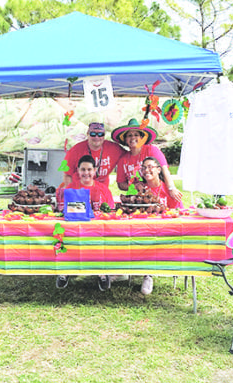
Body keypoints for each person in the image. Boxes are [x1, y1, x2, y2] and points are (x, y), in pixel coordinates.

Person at [56, 155, 115, 291]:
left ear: (95, 171)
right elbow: (65, 210)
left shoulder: (103, 189)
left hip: (98, 229)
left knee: (103, 241)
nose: (86, 173)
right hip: (76, 229)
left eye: (89, 169)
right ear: (78, 170)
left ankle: (102, 273)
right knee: (64, 236)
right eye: (83, 169)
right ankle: (64, 272)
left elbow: (110, 211)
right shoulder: (71, 187)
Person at [133, 156, 181, 295]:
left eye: (150, 167)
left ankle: (148, 274)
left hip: (166, 230)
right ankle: (143, 273)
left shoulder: (169, 189)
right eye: (144, 168)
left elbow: (177, 213)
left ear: (159, 169)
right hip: (144, 229)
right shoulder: (140, 188)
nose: (146, 170)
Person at [111, 118, 182, 206]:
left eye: (136, 134)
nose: (133, 137)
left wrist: (171, 188)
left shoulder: (152, 150)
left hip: (160, 193)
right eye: (129, 135)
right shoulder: (123, 160)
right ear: (125, 139)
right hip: (138, 198)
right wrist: (134, 186)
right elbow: (121, 184)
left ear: (141, 138)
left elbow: (164, 170)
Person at [62, 122, 125, 187]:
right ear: (87, 134)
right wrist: (72, 193)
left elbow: (129, 156)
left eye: (100, 134)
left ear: (104, 135)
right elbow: (67, 175)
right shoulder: (75, 150)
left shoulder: (114, 148)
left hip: (102, 190)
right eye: (93, 134)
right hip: (81, 190)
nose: (96, 137)